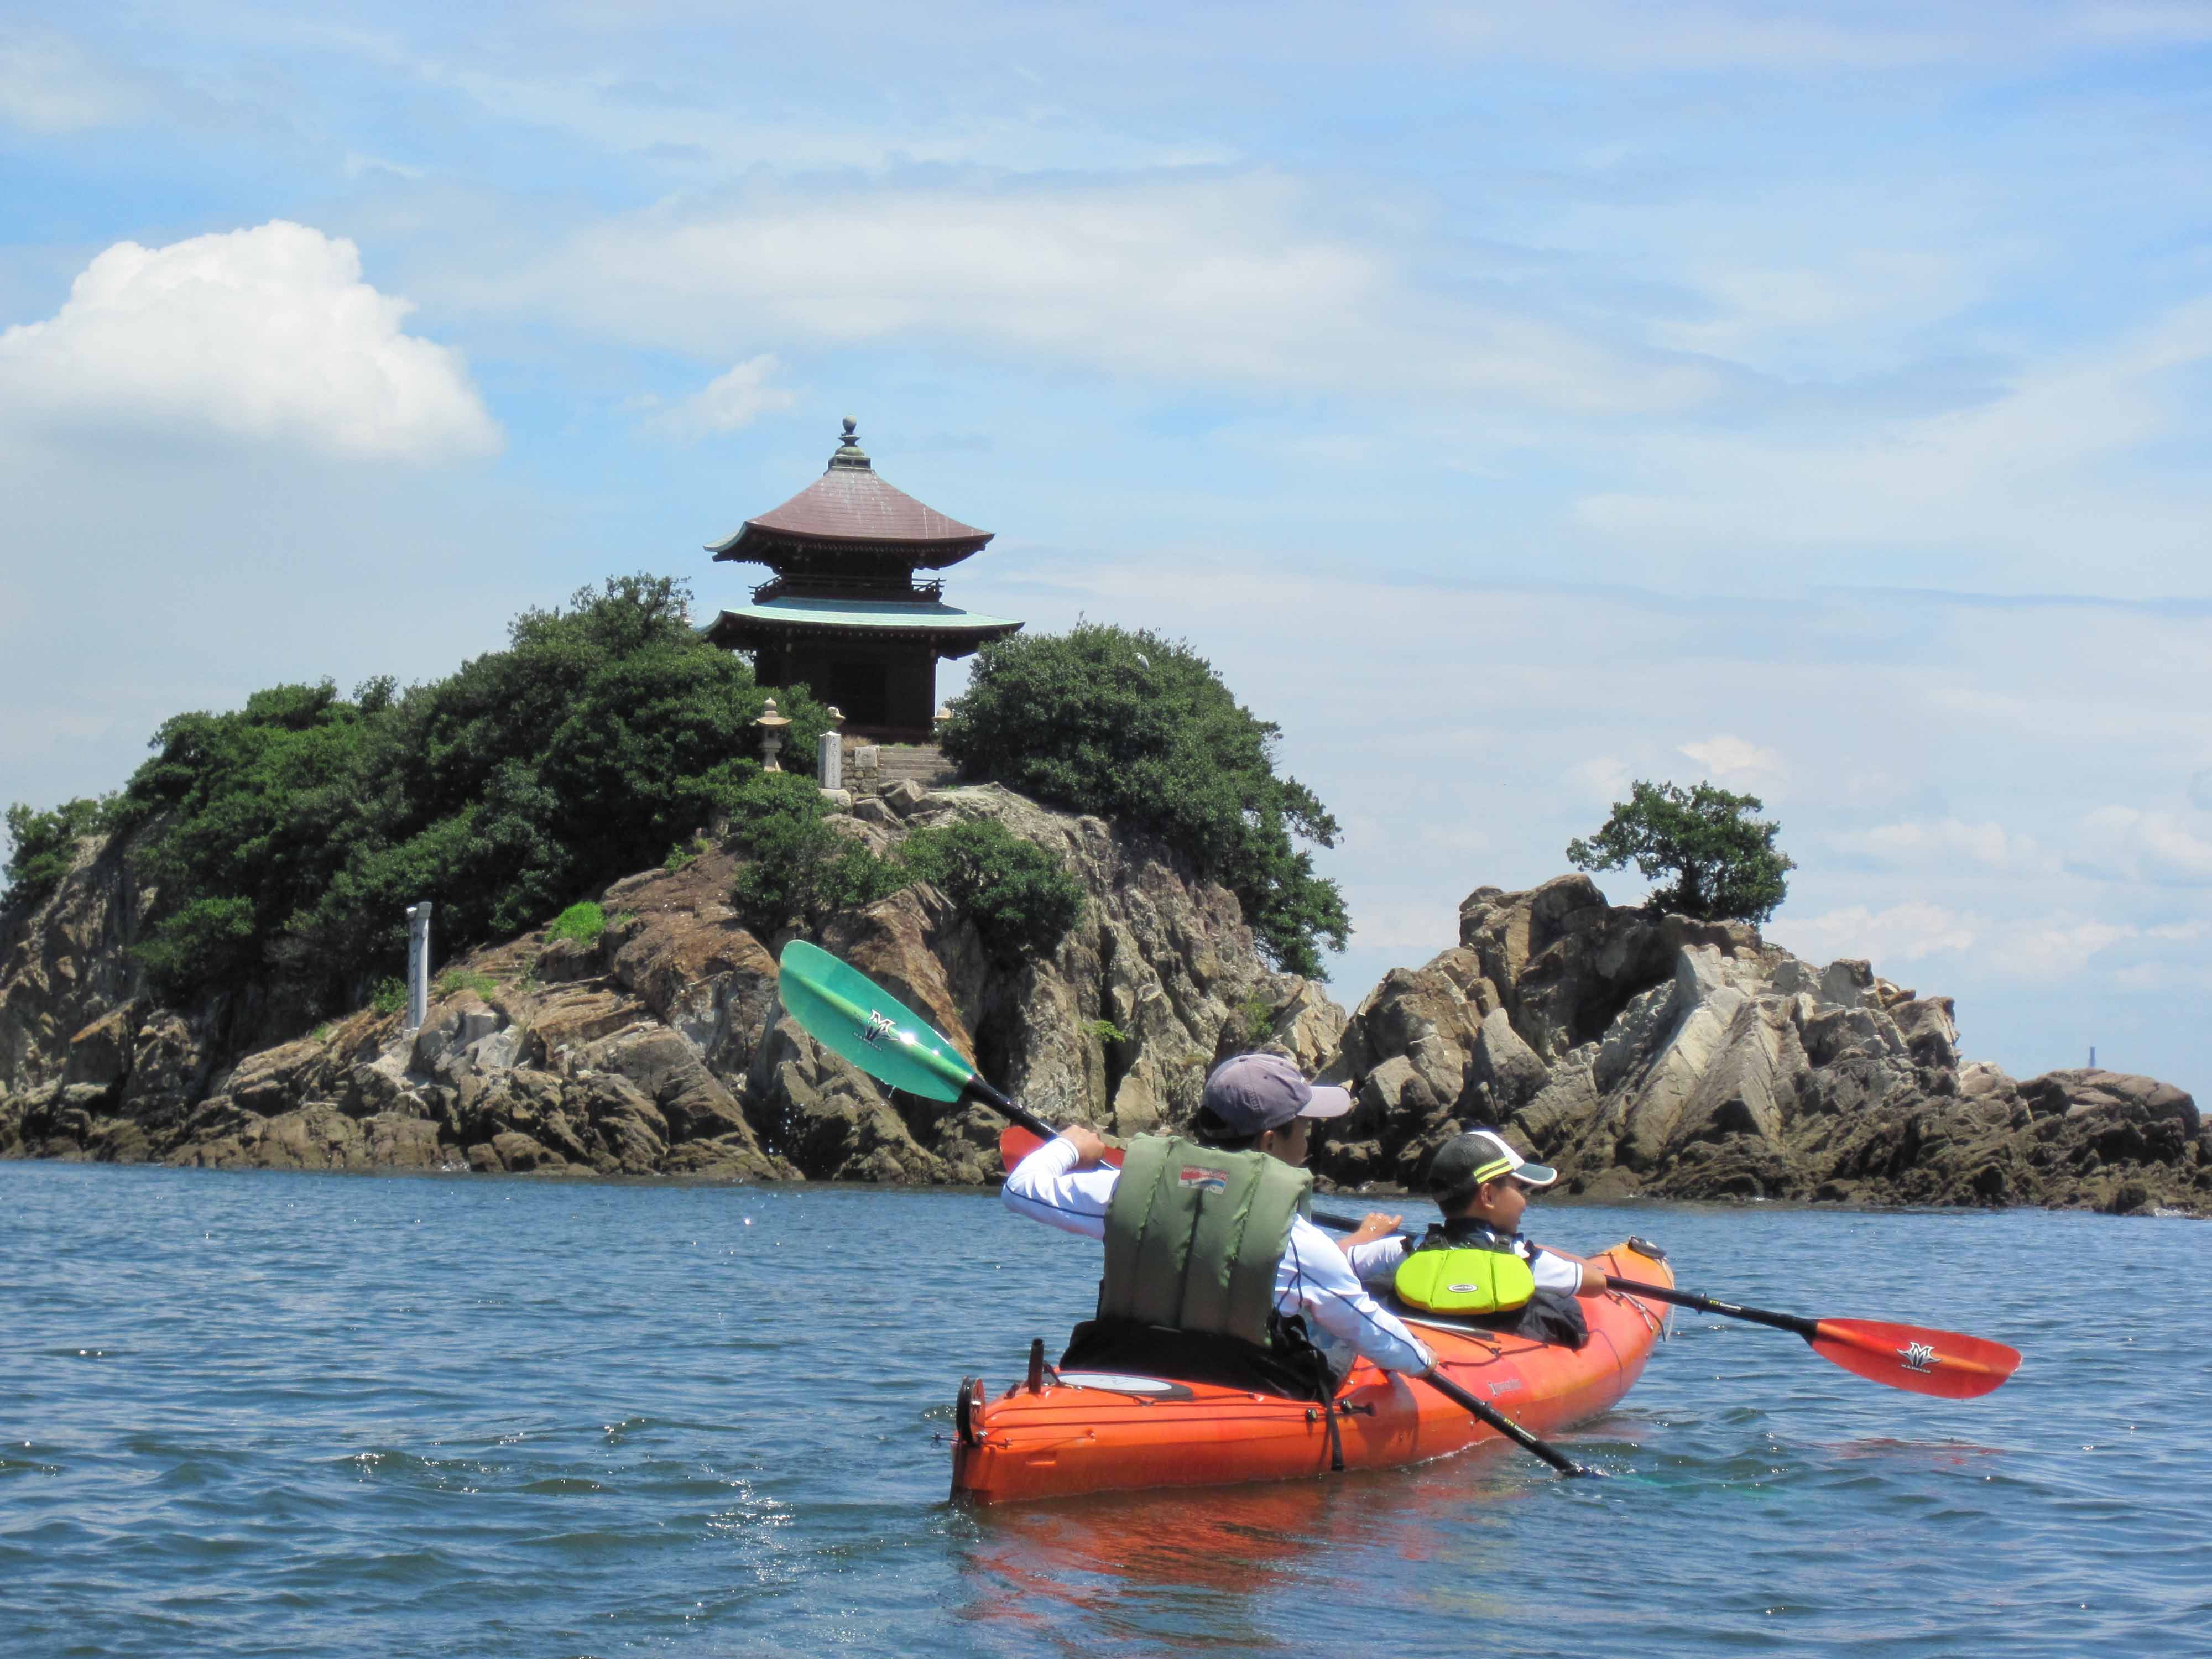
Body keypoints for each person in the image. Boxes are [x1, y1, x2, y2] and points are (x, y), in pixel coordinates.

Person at [1001, 1052, 1434, 1399]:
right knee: (1332, 1330)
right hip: (1246, 1379)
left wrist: (1068, 1146)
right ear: (1269, 1141)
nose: (1309, 1141)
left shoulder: (1126, 1195)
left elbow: (1019, 1189)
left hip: (1118, 1359)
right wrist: (1426, 1361)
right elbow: (1369, 1329)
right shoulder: (1299, 1241)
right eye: (1304, 1128)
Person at [1359, 1126, 1610, 1348]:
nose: (1525, 1200)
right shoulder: (1523, 1259)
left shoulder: (1403, 1250)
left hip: (1425, 1346)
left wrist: (1365, 1234)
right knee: (1565, 1309)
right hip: (1494, 1359)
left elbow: (1332, 1260)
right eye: (1520, 1188)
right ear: (1488, 1196)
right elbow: (1596, 1282)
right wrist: (1539, 1249)